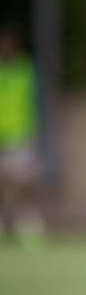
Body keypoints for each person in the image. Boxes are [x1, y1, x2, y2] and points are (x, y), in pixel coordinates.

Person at [0, 26, 44, 248]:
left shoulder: (26, 70)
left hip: (21, 135)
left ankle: (28, 224)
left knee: (25, 184)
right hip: (2, 137)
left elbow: (37, 100)